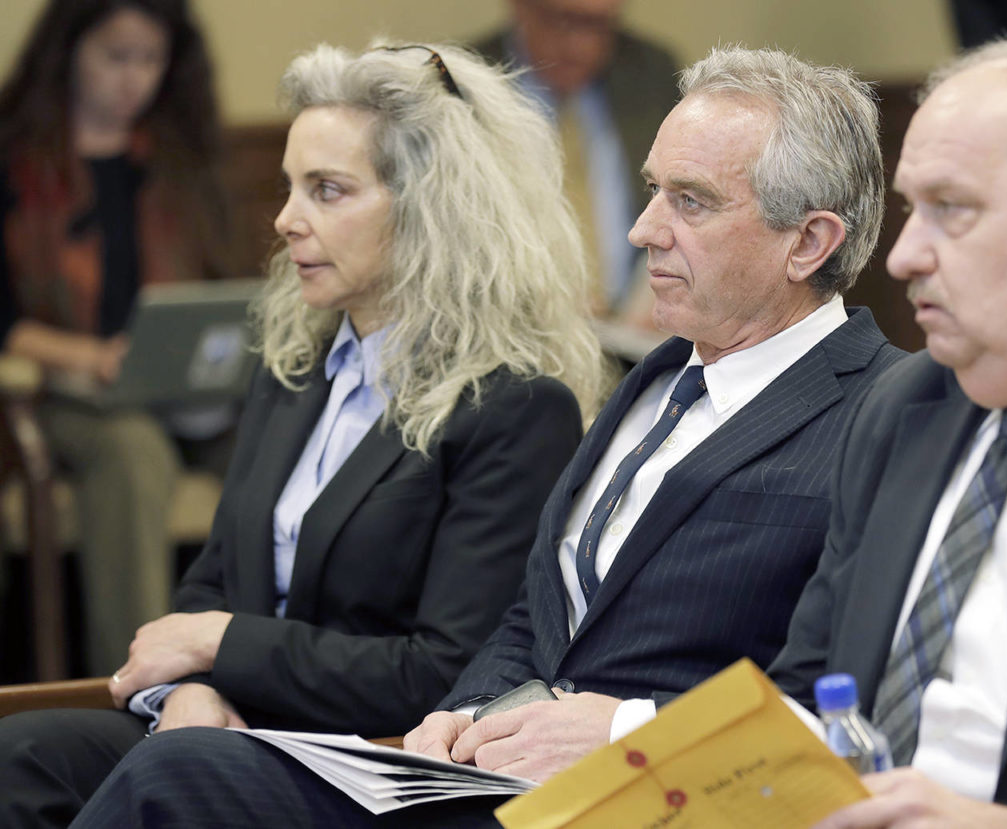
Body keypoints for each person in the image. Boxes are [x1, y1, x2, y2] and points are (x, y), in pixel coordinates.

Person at [67, 45, 906, 829]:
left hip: (658, 800)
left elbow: (847, 701)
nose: (643, 229)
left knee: (173, 782)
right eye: (652, 191)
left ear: (809, 242)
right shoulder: (655, 379)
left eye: (689, 201)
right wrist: (458, 715)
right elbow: (531, 613)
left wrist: (621, 729)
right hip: (479, 776)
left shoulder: (884, 409)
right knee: (42, 758)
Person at [0, 41, 604, 828]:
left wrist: (223, 645)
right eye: (290, 188)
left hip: (366, 760)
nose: (286, 220)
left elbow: (444, 669)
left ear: (430, 209)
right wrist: (194, 687)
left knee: (167, 778)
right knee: (19, 754)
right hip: (229, 723)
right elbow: (211, 581)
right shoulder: (294, 368)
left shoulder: (517, 407)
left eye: (327, 190)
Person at [764, 36, 1007, 828]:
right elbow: (806, 691)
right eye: (912, 209)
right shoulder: (903, 407)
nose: (905, 255)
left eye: (954, 208)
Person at [0, 0, 231, 674]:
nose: (134, 79)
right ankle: (137, 682)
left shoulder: (178, 161)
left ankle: (280, 667)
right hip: (59, 392)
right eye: (116, 57)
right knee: (133, 451)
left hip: (181, 388)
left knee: (276, 434)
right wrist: (93, 358)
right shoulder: (16, 163)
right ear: (69, 52)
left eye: (150, 60)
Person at [473, 0, 678, 318]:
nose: (581, 46)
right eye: (563, 21)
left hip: (630, 339)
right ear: (520, 8)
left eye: (599, 25)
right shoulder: (463, 83)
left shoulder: (653, 77)